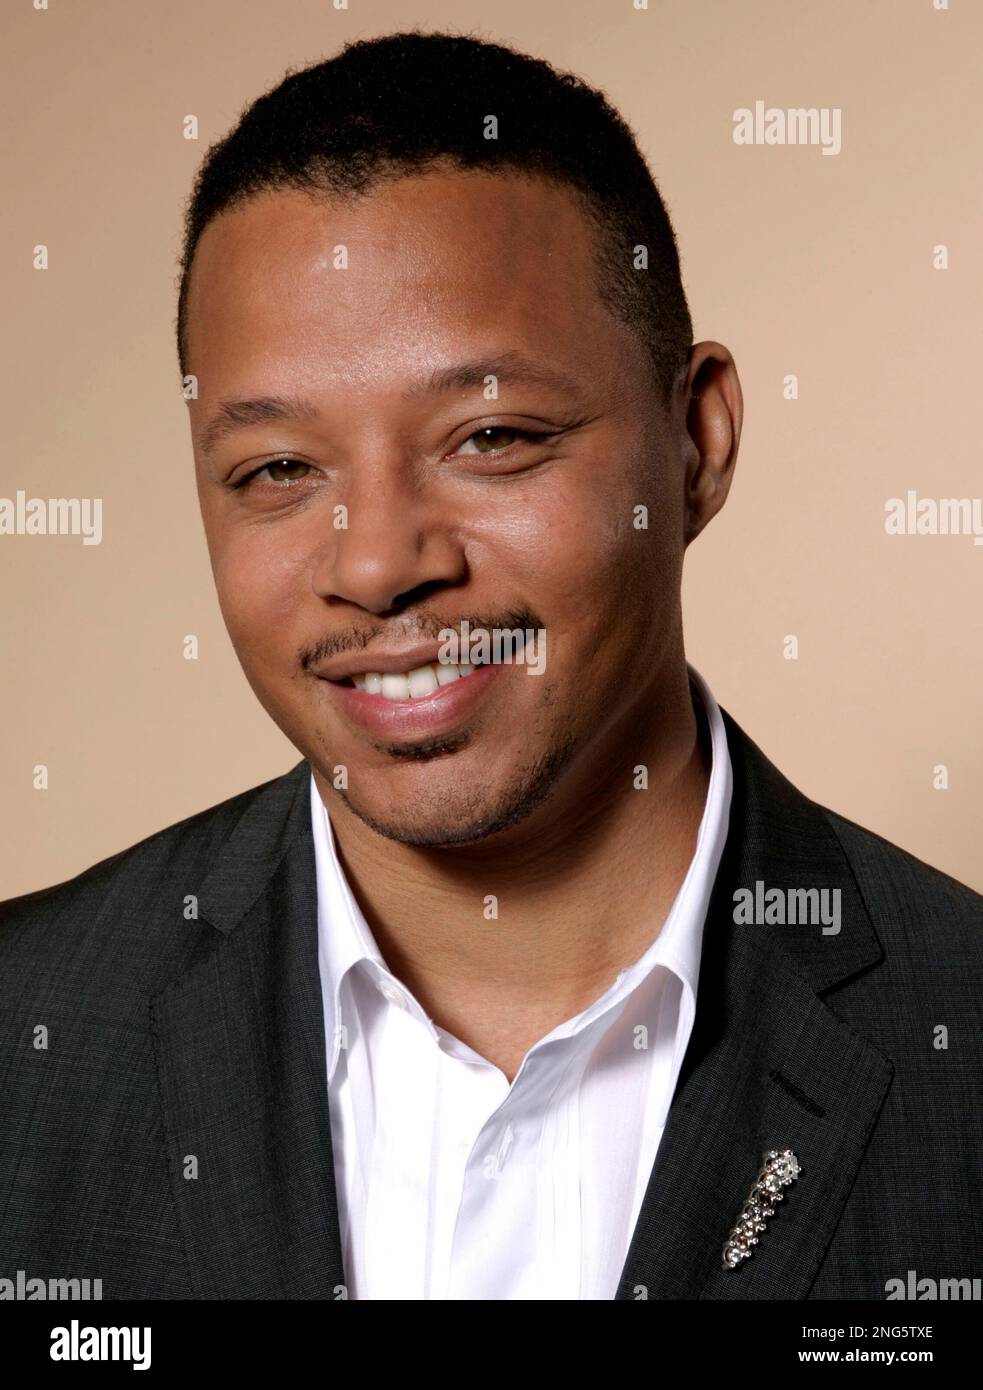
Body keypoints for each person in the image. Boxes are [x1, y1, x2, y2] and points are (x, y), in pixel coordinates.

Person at [1, 29, 980, 1302]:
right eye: (279, 470)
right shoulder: (30, 1042)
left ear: (694, 442)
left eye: (491, 436)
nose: (375, 565)